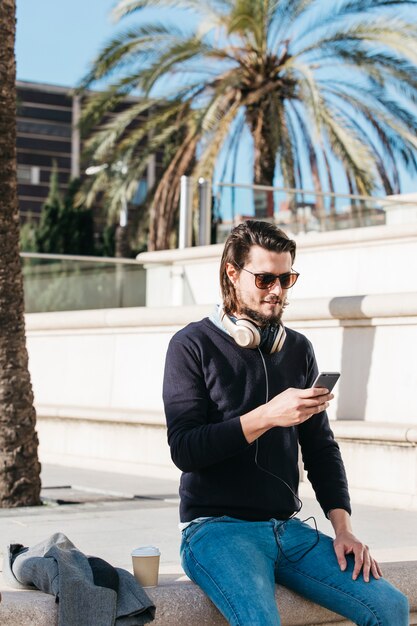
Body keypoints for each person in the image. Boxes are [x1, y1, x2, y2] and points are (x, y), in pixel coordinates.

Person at [163, 220, 408, 626]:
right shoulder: (191, 346)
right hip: (215, 532)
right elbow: (185, 449)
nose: (277, 290)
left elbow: (321, 448)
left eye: (286, 278)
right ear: (232, 273)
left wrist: (343, 529)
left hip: (287, 531)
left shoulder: (297, 348)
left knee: (390, 607)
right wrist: (267, 416)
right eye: (264, 279)